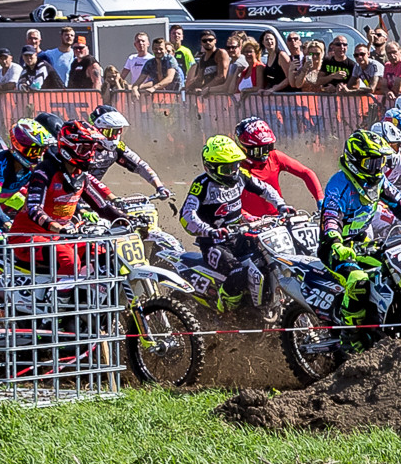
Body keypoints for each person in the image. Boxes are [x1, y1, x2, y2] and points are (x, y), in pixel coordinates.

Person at [318, 131, 401, 326]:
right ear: (355, 160)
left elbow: (397, 202)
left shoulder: (379, 181)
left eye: (380, 162)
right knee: (358, 280)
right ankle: (349, 333)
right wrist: (336, 242)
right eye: (371, 163)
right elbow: (331, 217)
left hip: (363, 243)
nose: (377, 168)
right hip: (334, 249)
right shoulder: (338, 184)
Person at [180, 136, 287, 313]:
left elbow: (265, 189)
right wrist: (210, 231)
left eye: (235, 165)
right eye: (227, 168)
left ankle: (265, 301)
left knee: (266, 259)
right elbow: (186, 216)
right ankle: (227, 312)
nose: (233, 172)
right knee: (239, 273)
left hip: (239, 236)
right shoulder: (202, 185)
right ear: (211, 167)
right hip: (215, 244)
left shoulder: (241, 176)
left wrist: (281, 205)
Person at [10, 122, 124, 273]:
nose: (90, 154)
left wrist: (126, 218)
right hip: (27, 238)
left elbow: (102, 206)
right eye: (85, 149)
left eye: (93, 149)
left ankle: (100, 289)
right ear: (69, 147)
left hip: (60, 238)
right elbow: (34, 209)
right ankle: (63, 290)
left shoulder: (80, 175)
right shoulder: (44, 171)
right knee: (69, 259)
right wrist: (59, 228)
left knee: (103, 251)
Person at [236, 116, 322, 217]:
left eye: (268, 147)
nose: (265, 154)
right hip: (247, 224)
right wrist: (245, 216)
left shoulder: (274, 156)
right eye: (259, 151)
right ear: (243, 148)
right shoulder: (234, 168)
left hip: (278, 219)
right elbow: (226, 203)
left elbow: (306, 173)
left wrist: (320, 199)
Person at [85, 107, 167, 195]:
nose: (114, 136)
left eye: (117, 132)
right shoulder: (81, 145)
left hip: (90, 193)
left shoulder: (117, 148)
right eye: (109, 132)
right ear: (97, 129)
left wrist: (160, 187)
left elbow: (141, 165)